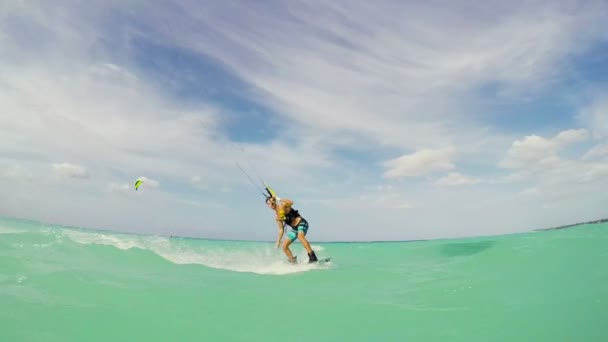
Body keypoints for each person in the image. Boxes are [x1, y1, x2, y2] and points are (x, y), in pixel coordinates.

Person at [266, 195, 318, 264]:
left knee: (300, 236)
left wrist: (278, 198)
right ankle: (293, 261)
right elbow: (281, 230)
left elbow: (291, 202)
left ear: (274, 201)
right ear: (268, 206)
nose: (271, 204)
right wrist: (278, 241)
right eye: (269, 204)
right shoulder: (277, 217)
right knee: (284, 245)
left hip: (301, 223)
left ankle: (312, 257)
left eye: (271, 202)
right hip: (295, 229)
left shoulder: (282, 206)